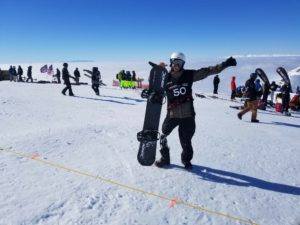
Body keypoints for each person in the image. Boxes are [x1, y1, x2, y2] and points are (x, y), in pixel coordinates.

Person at [154, 52, 237, 169]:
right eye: (174, 62)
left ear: (183, 64)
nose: (176, 65)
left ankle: (186, 160)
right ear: (170, 63)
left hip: (188, 116)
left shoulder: (189, 75)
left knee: (186, 141)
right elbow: (154, 84)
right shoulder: (165, 77)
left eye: (179, 62)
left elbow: (209, 71)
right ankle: (165, 158)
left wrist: (225, 64)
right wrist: (158, 71)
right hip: (172, 115)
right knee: (163, 135)